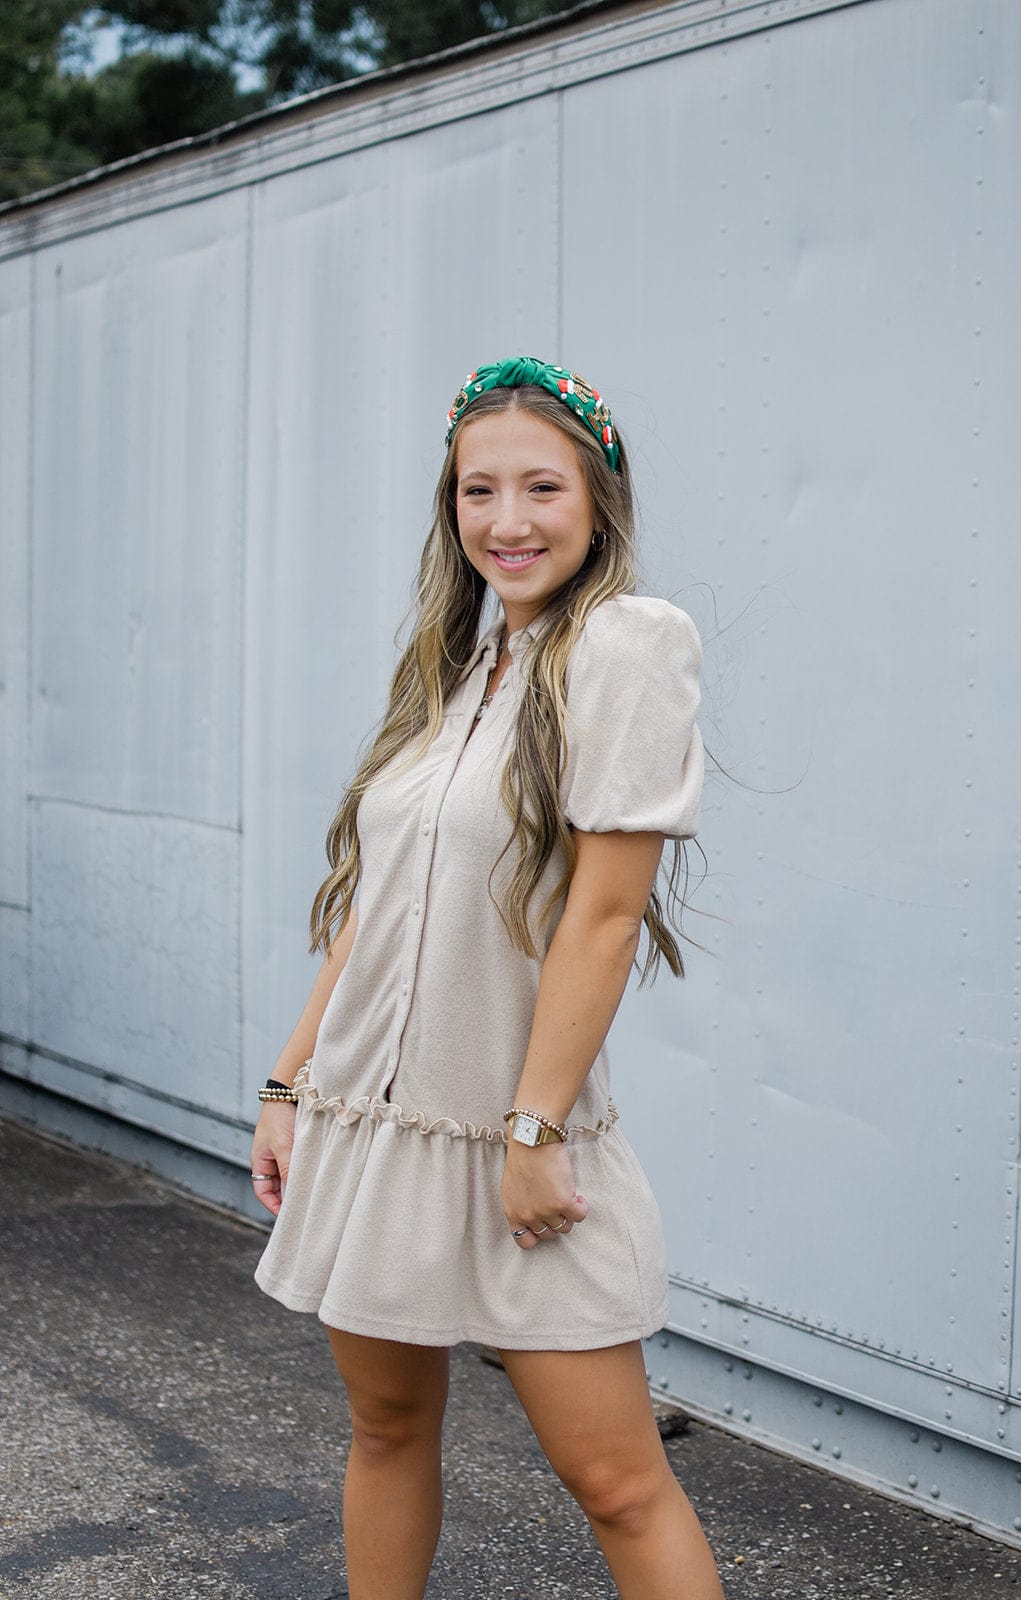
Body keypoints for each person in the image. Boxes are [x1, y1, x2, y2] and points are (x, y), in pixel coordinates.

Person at [250, 356, 727, 1600]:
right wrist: (290, 1080)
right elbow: (375, 907)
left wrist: (533, 1124)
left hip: (512, 1127)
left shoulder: (627, 643)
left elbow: (606, 911)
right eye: (476, 492)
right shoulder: (461, 669)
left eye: (538, 488)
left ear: (598, 499)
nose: (505, 523)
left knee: (618, 1483)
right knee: (388, 1431)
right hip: (374, 1122)